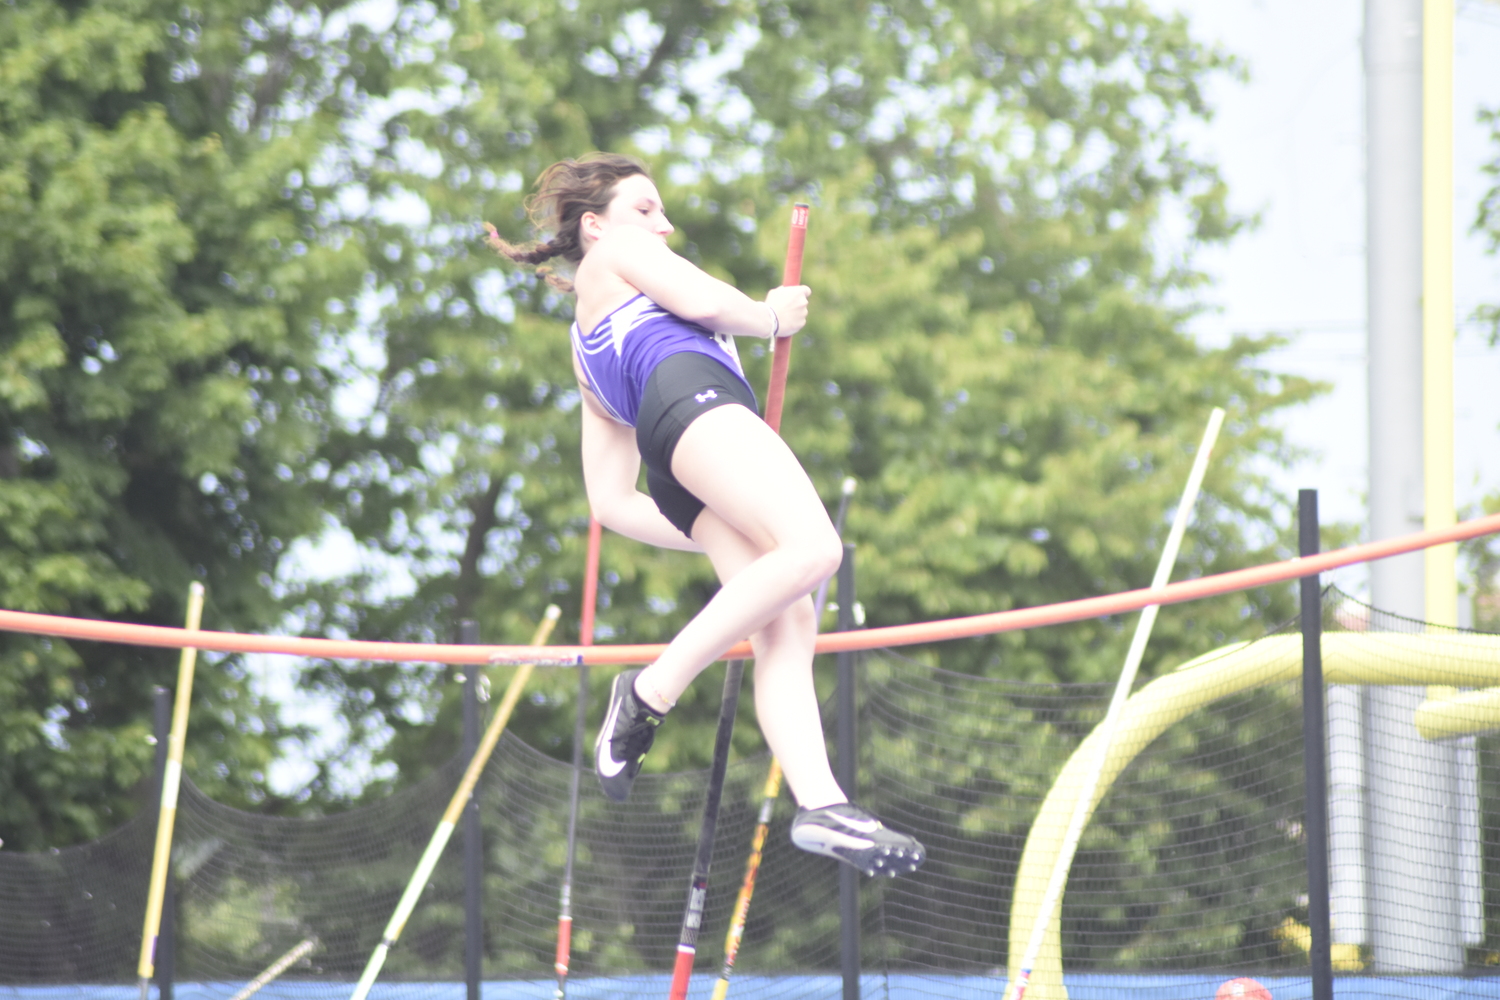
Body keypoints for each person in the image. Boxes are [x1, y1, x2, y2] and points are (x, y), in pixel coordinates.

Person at [486, 153, 923, 877]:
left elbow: (613, 501)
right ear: (594, 226)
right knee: (817, 551)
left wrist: (716, 536)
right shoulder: (617, 256)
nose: (663, 223)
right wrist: (771, 316)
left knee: (787, 617)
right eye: (646, 208)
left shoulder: (582, 345)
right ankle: (651, 688)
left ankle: (821, 804)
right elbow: (707, 304)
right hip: (696, 404)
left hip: (677, 464)